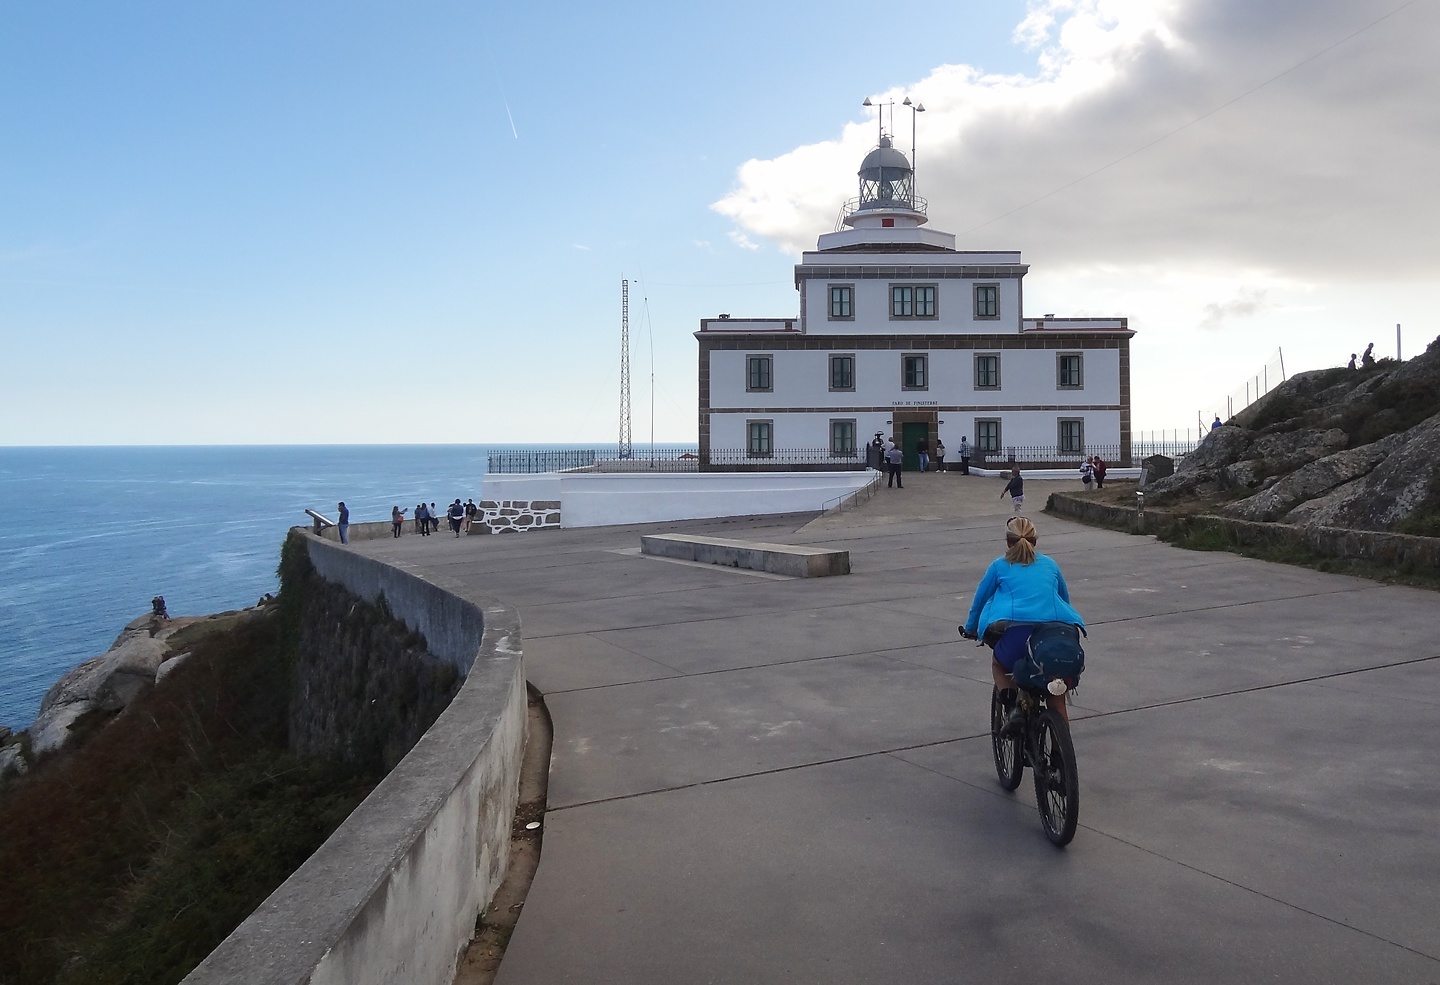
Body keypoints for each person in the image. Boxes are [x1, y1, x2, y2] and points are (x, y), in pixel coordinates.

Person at [963, 516, 1085, 726]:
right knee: (1054, 690)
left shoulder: (999, 566)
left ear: (1008, 541)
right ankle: (1061, 753)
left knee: (999, 665)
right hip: (1051, 636)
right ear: (1035, 540)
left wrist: (971, 628)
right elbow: (1064, 599)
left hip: (1015, 636)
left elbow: (980, 600)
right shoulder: (1050, 565)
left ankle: (1012, 710)